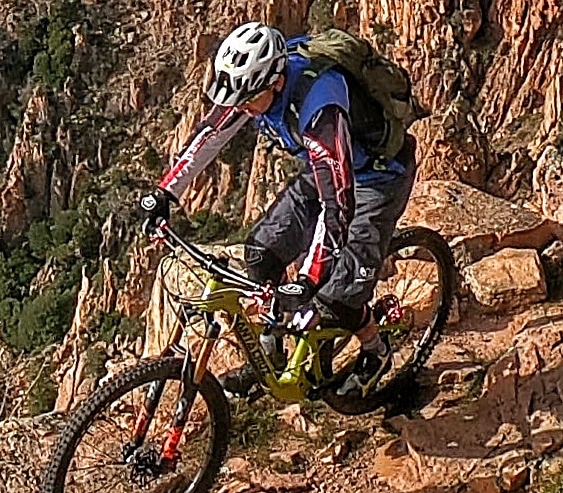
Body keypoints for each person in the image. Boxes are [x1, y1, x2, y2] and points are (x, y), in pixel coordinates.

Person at [139, 22, 414, 330]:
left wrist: (309, 279)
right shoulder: (254, 88)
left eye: (247, 101)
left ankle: (374, 349)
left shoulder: (320, 108)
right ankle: (278, 343)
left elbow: (337, 204)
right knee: (261, 254)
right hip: (326, 172)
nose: (241, 108)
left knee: (335, 300)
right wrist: (166, 192)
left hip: (378, 179)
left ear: (277, 83)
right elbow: (212, 133)